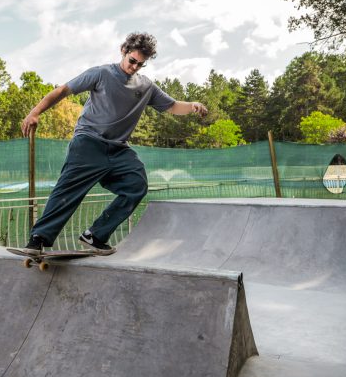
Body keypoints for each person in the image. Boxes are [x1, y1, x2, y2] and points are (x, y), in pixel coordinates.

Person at [21, 32, 208, 255]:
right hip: (88, 142)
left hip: (118, 149)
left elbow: (172, 106)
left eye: (140, 64)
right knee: (68, 189)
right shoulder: (101, 73)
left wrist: (193, 105)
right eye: (132, 61)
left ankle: (95, 236)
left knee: (136, 185)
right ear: (124, 51)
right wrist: (35, 112)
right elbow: (63, 90)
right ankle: (38, 239)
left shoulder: (146, 86)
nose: (134, 67)